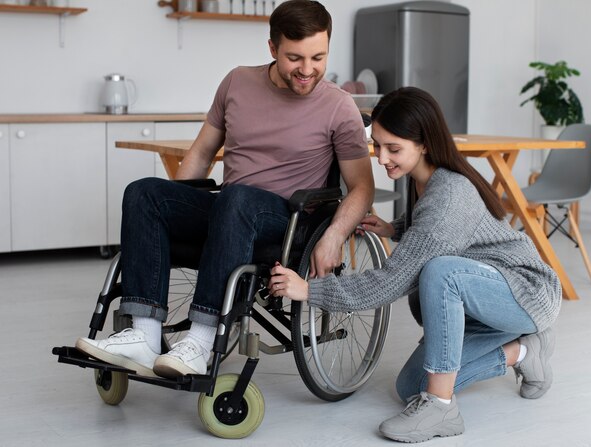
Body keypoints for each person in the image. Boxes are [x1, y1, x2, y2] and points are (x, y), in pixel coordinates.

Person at [76, 0, 374, 379]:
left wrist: (334, 236)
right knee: (144, 192)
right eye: (295, 58)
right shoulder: (237, 82)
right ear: (272, 48)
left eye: (318, 57)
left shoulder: (338, 106)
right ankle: (144, 335)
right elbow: (201, 152)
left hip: (288, 220)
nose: (307, 70)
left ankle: (201, 339)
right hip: (230, 211)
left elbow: (362, 186)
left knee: (237, 198)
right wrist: (174, 213)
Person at [268, 87, 561, 443]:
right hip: (485, 297)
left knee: (441, 272)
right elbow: (438, 227)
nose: (381, 158)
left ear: (424, 143)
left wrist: (310, 290)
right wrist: (396, 228)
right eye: (377, 145)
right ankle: (524, 351)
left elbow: (391, 282)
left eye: (394, 149)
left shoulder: (450, 194)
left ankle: (441, 408)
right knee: (411, 386)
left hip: (526, 292)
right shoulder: (425, 179)